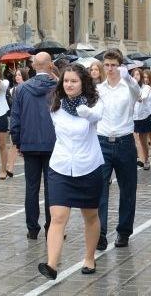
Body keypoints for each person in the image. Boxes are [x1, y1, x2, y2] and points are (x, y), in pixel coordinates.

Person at [37, 64, 104, 280]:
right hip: (61, 166)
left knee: (90, 215)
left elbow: (97, 117)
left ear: (83, 83)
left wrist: (87, 113)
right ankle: (52, 265)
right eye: (66, 81)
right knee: (58, 217)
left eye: (74, 81)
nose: (69, 85)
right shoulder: (56, 105)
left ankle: (89, 258)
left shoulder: (95, 102)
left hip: (88, 166)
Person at [10, 52, 57, 240]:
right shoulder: (57, 87)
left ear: (33, 66)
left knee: (31, 187)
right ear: (50, 65)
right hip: (53, 143)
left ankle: (32, 227)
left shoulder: (21, 89)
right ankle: (52, 226)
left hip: (29, 143)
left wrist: (18, 142)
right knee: (51, 187)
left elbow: (15, 118)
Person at [96, 49, 140, 250]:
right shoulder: (99, 89)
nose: (110, 69)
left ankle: (124, 232)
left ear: (120, 66)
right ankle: (100, 232)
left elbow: (138, 94)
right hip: (102, 141)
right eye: (107, 65)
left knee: (128, 189)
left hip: (124, 142)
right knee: (100, 189)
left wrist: (128, 77)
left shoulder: (128, 87)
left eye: (114, 65)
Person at [6, 67, 30, 175]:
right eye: (16, 75)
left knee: (25, 145)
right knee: (13, 144)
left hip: (27, 119)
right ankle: (10, 168)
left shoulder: (29, 88)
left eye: (20, 75)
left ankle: (29, 166)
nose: (17, 77)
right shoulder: (12, 90)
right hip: (15, 118)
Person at [132, 68, 151, 170]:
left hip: (143, 117)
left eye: (138, 75)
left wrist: (136, 93)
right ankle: (139, 159)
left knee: (143, 140)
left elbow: (142, 98)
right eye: (134, 75)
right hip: (132, 117)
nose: (136, 76)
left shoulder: (146, 87)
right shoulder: (129, 88)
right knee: (135, 139)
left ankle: (145, 160)